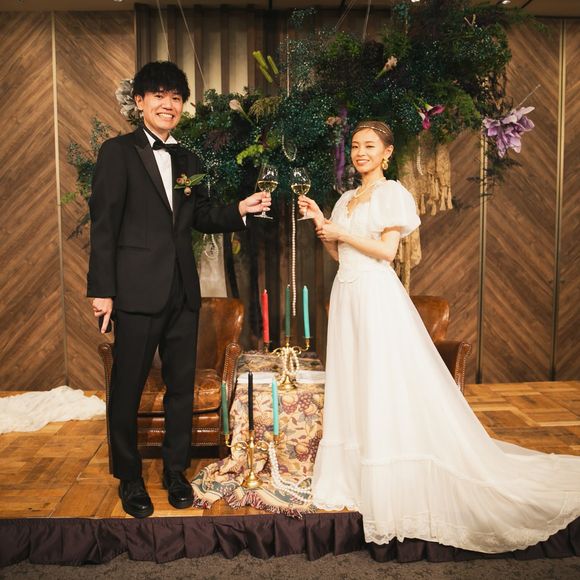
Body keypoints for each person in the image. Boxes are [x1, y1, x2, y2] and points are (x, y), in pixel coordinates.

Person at [298, 120, 580, 553]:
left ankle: (392, 475)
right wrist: (323, 224)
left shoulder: (392, 194)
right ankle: (352, 477)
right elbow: (340, 253)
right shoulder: (345, 199)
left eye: (369, 145)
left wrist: (341, 232)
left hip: (375, 295)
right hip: (347, 294)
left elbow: (386, 252)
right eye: (355, 146)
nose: (360, 153)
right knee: (353, 380)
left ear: (387, 153)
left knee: (381, 380)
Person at [87, 61, 271, 518]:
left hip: (182, 292)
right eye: (159, 95)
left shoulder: (190, 160)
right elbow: (104, 225)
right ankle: (130, 477)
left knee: (181, 389)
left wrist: (239, 209)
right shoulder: (117, 152)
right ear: (140, 102)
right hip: (134, 292)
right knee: (126, 388)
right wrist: (102, 290)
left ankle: (175, 471)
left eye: (175, 97)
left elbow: (202, 217)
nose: (168, 104)